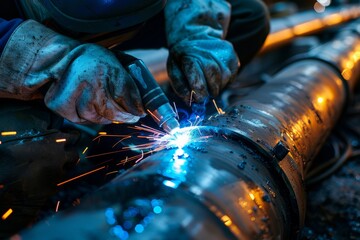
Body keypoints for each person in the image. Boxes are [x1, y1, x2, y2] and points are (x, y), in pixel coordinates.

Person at [0, 0, 269, 237]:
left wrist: (197, 27)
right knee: (23, 152)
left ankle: (125, 148)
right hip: (15, 35)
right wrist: (57, 62)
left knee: (247, 15)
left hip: (115, 14)